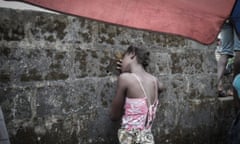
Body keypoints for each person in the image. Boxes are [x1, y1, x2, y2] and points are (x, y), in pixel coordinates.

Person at [110, 45, 164, 144]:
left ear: (132, 54)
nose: (121, 62)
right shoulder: (155, 82)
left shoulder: (125, 79)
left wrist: (123, 74)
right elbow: (161, 86)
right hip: (148, 139)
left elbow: (114, 116)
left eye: (123, 57)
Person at [217, 20, 240, 97]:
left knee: (225, 52)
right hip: (238, 17)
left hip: (227, 17)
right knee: (238, 51)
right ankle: (234, 89)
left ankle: (217, 85)